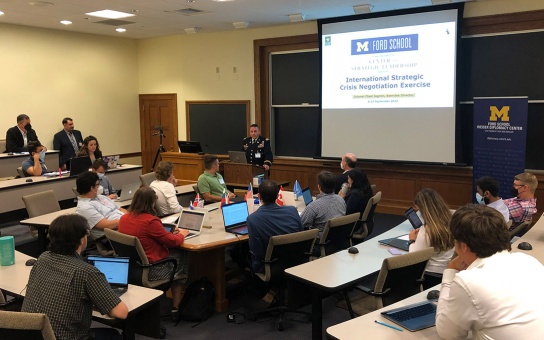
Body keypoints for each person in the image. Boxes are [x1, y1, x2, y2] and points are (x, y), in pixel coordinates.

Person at [436, 204, 544, 339]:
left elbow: (447, 333)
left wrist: (450, 271)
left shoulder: (468, 282)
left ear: (463, 246)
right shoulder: (529, 261)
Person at [22, 214, 128, 340]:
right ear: (82, 239)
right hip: (65, 337)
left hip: (31, 334)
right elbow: (121, 313)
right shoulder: (87, 272)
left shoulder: (43, 258)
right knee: (113, 335)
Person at [119, 187, 189, 320]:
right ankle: (176, 306)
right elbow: (173, 242)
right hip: (153, 269)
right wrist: (182, 234)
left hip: (131, 267)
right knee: (181, 253)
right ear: (151, 203)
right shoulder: (150, 221)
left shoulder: (124, 218)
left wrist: (165, 233)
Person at [247, 180, 303, 274]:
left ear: (259, 196)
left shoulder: (252, 219)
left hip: (270, 265)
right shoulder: (292, 210)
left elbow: (258, 253)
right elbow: (301, 234)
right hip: (296, 260)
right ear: (278, 196)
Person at [408, 188, 455, 288]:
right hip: (448, 272)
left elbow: (414, 257)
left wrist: (412, 240)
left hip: (429, 276)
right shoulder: (452, 222)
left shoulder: (427, 231)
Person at [76, 171, 127, 239]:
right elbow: (108, 225)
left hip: (125, 226)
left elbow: (120, 209)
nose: (100, 186)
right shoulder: (85, 207)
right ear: (92, 188)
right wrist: (129, 220)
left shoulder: (101, 197)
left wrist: (132, 218)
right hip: (113, 236)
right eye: (98, 184)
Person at [300, 170, 346, 236]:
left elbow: (300, 224)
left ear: (319, 187)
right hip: (339, 237)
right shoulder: (341, 200)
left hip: (319, 241)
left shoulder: (313, 207)